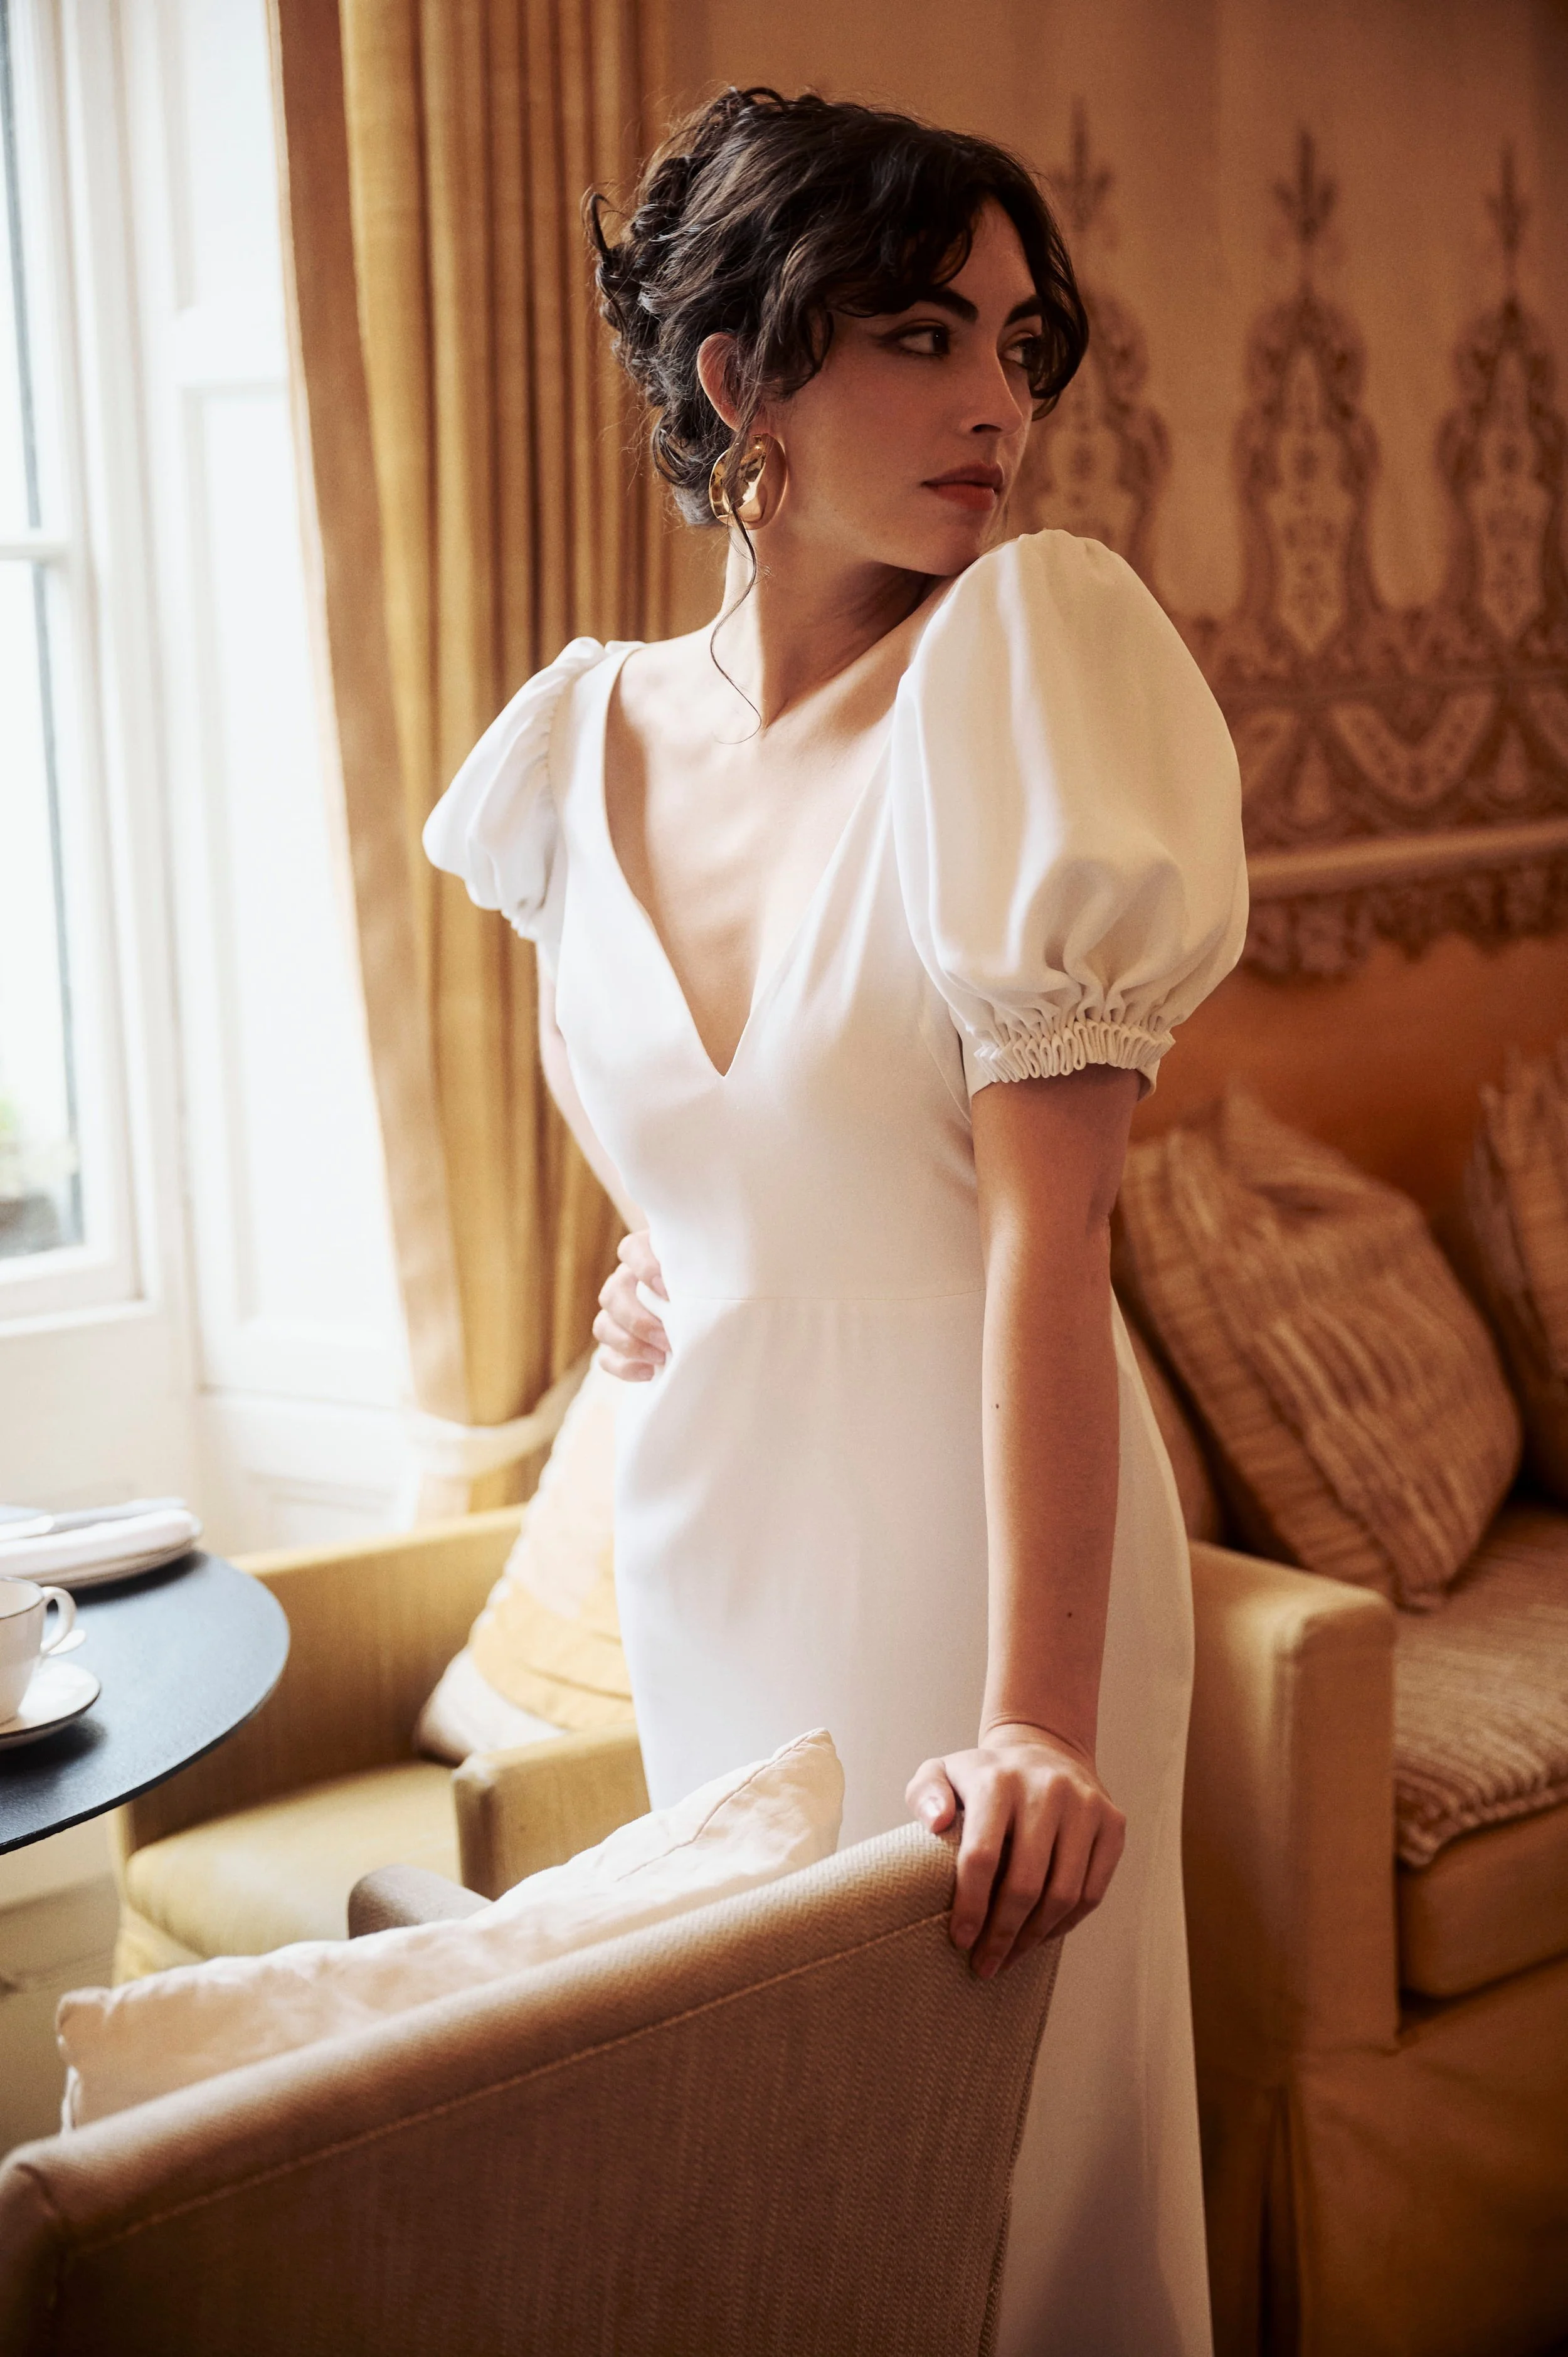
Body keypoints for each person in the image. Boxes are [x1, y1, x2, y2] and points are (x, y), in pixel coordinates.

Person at [425, 86, 1247, 2357]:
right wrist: (663, 1264)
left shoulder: (1016, 671)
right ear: (740, 379)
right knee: (793, 2203)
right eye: (920, 332)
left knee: (1010, 2201)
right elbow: (711, 1155)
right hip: (720, 1559)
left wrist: (1039, 1717)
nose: (998, 402)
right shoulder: (569, 742)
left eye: (1018, 341)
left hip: (992, 1573)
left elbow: (1044, 1243)